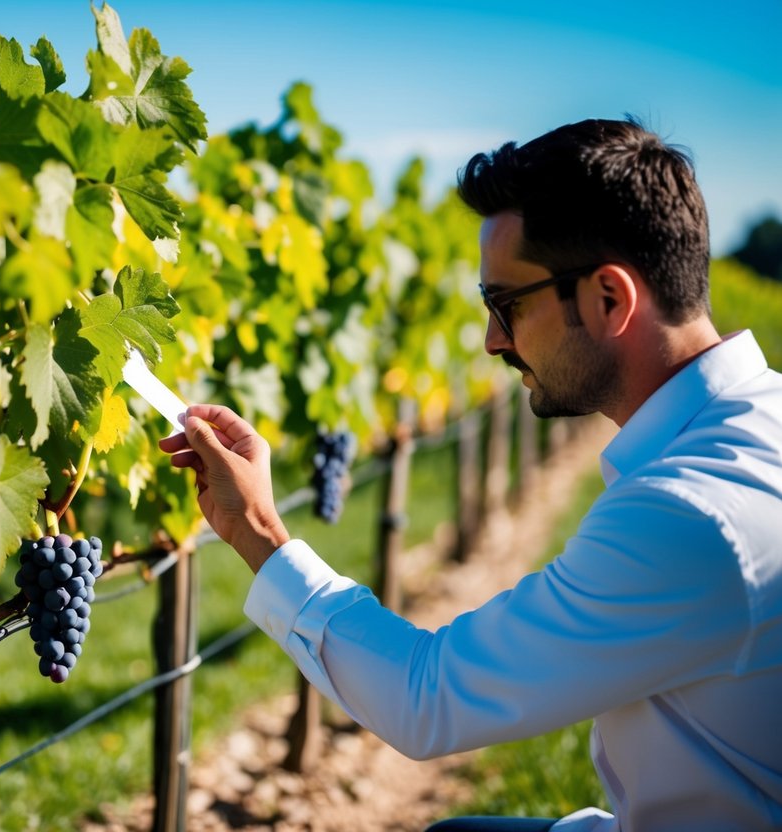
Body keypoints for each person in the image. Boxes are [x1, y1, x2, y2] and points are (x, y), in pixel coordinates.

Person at [159, 118, 782, 832]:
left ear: (608, 298)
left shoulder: (687, 516)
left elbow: (426, 699)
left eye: (505, 304)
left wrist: (257, 531)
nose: (492, 340)